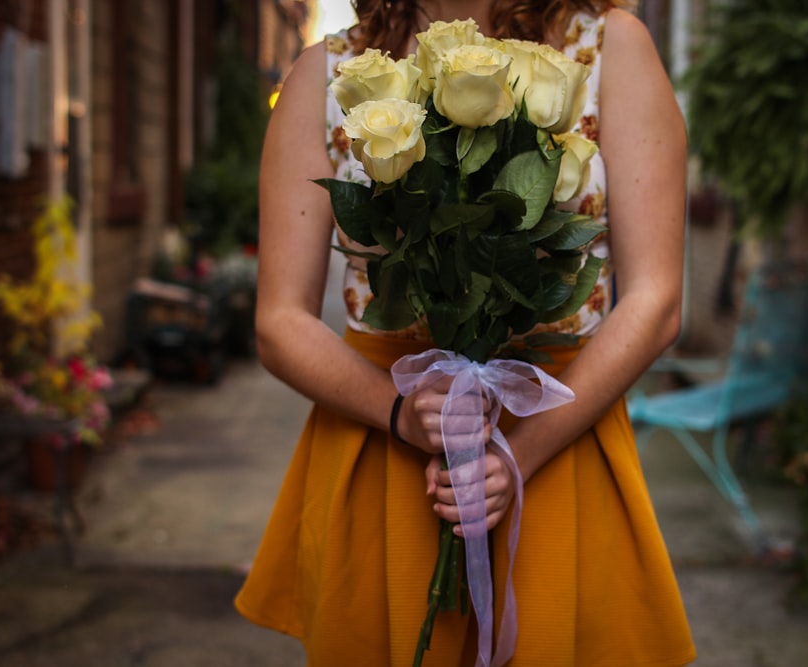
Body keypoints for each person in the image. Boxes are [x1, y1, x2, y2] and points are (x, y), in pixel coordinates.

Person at [235, 0, 695, 664]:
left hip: (558, 439)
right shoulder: (326, 74)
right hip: (389, 453)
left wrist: (517, 456)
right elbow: (279, 322)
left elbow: (655, 302)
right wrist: (401, 414)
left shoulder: (609, 49)